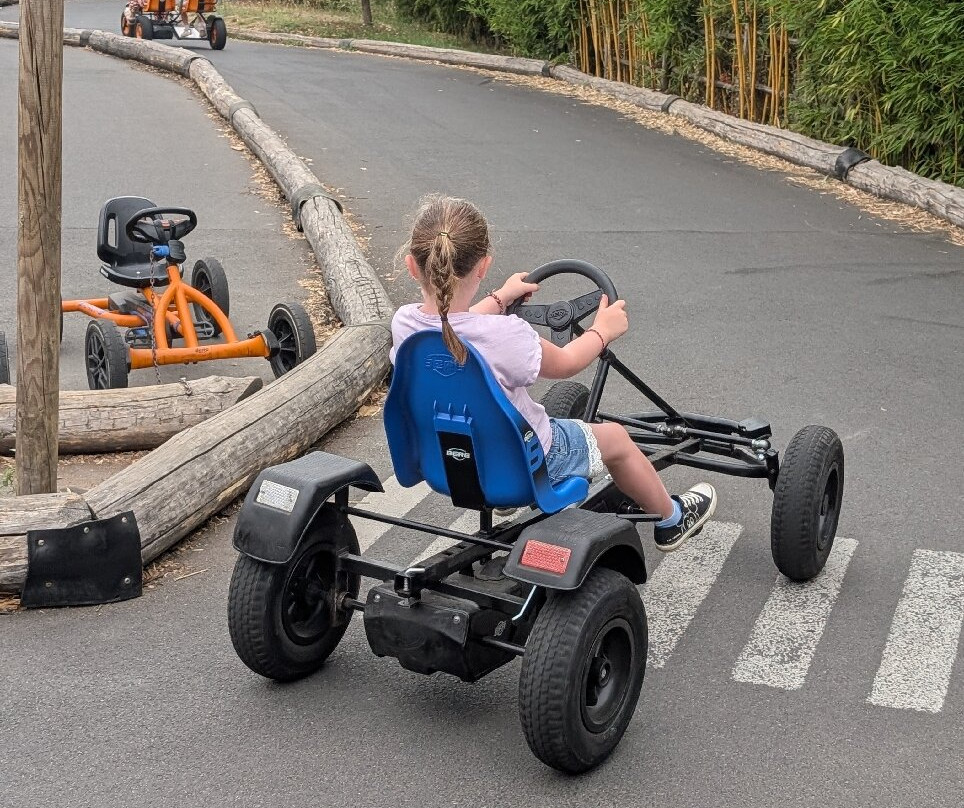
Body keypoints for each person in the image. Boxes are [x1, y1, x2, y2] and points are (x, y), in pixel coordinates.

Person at [390, 195, 717, 551]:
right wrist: (602, 330)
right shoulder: (506, 335)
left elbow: (455, 325)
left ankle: (500, 494)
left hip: (444, 460)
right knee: (617, 439)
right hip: (527, 461)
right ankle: (672, 518)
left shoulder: (406, 325)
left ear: (412, 265)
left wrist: (501, 298)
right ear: (483, 266)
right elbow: (567, 362)